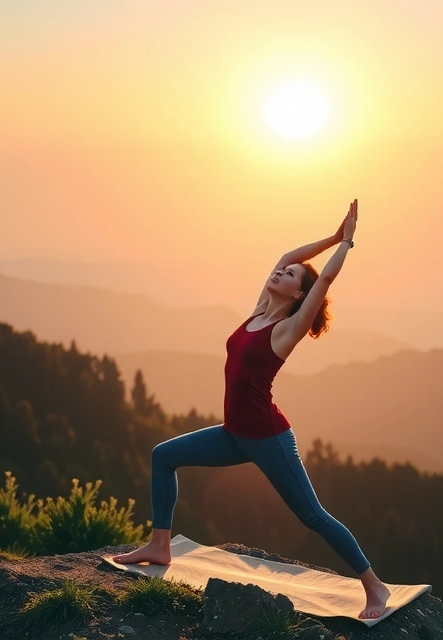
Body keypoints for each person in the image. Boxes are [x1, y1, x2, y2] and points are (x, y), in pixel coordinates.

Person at [112, 198, 391, 619]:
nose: (281, 270)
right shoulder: (259, 311)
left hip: (268, 439)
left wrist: (346, 244)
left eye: (291, 276)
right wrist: (331, 235)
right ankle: (160, 545)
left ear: (299, 294)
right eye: (282, 271)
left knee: (313, 517)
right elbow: (287, 256)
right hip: (233, 434)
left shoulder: (286, 330)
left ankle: (375, 586)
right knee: (163, 456)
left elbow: (325, 278)